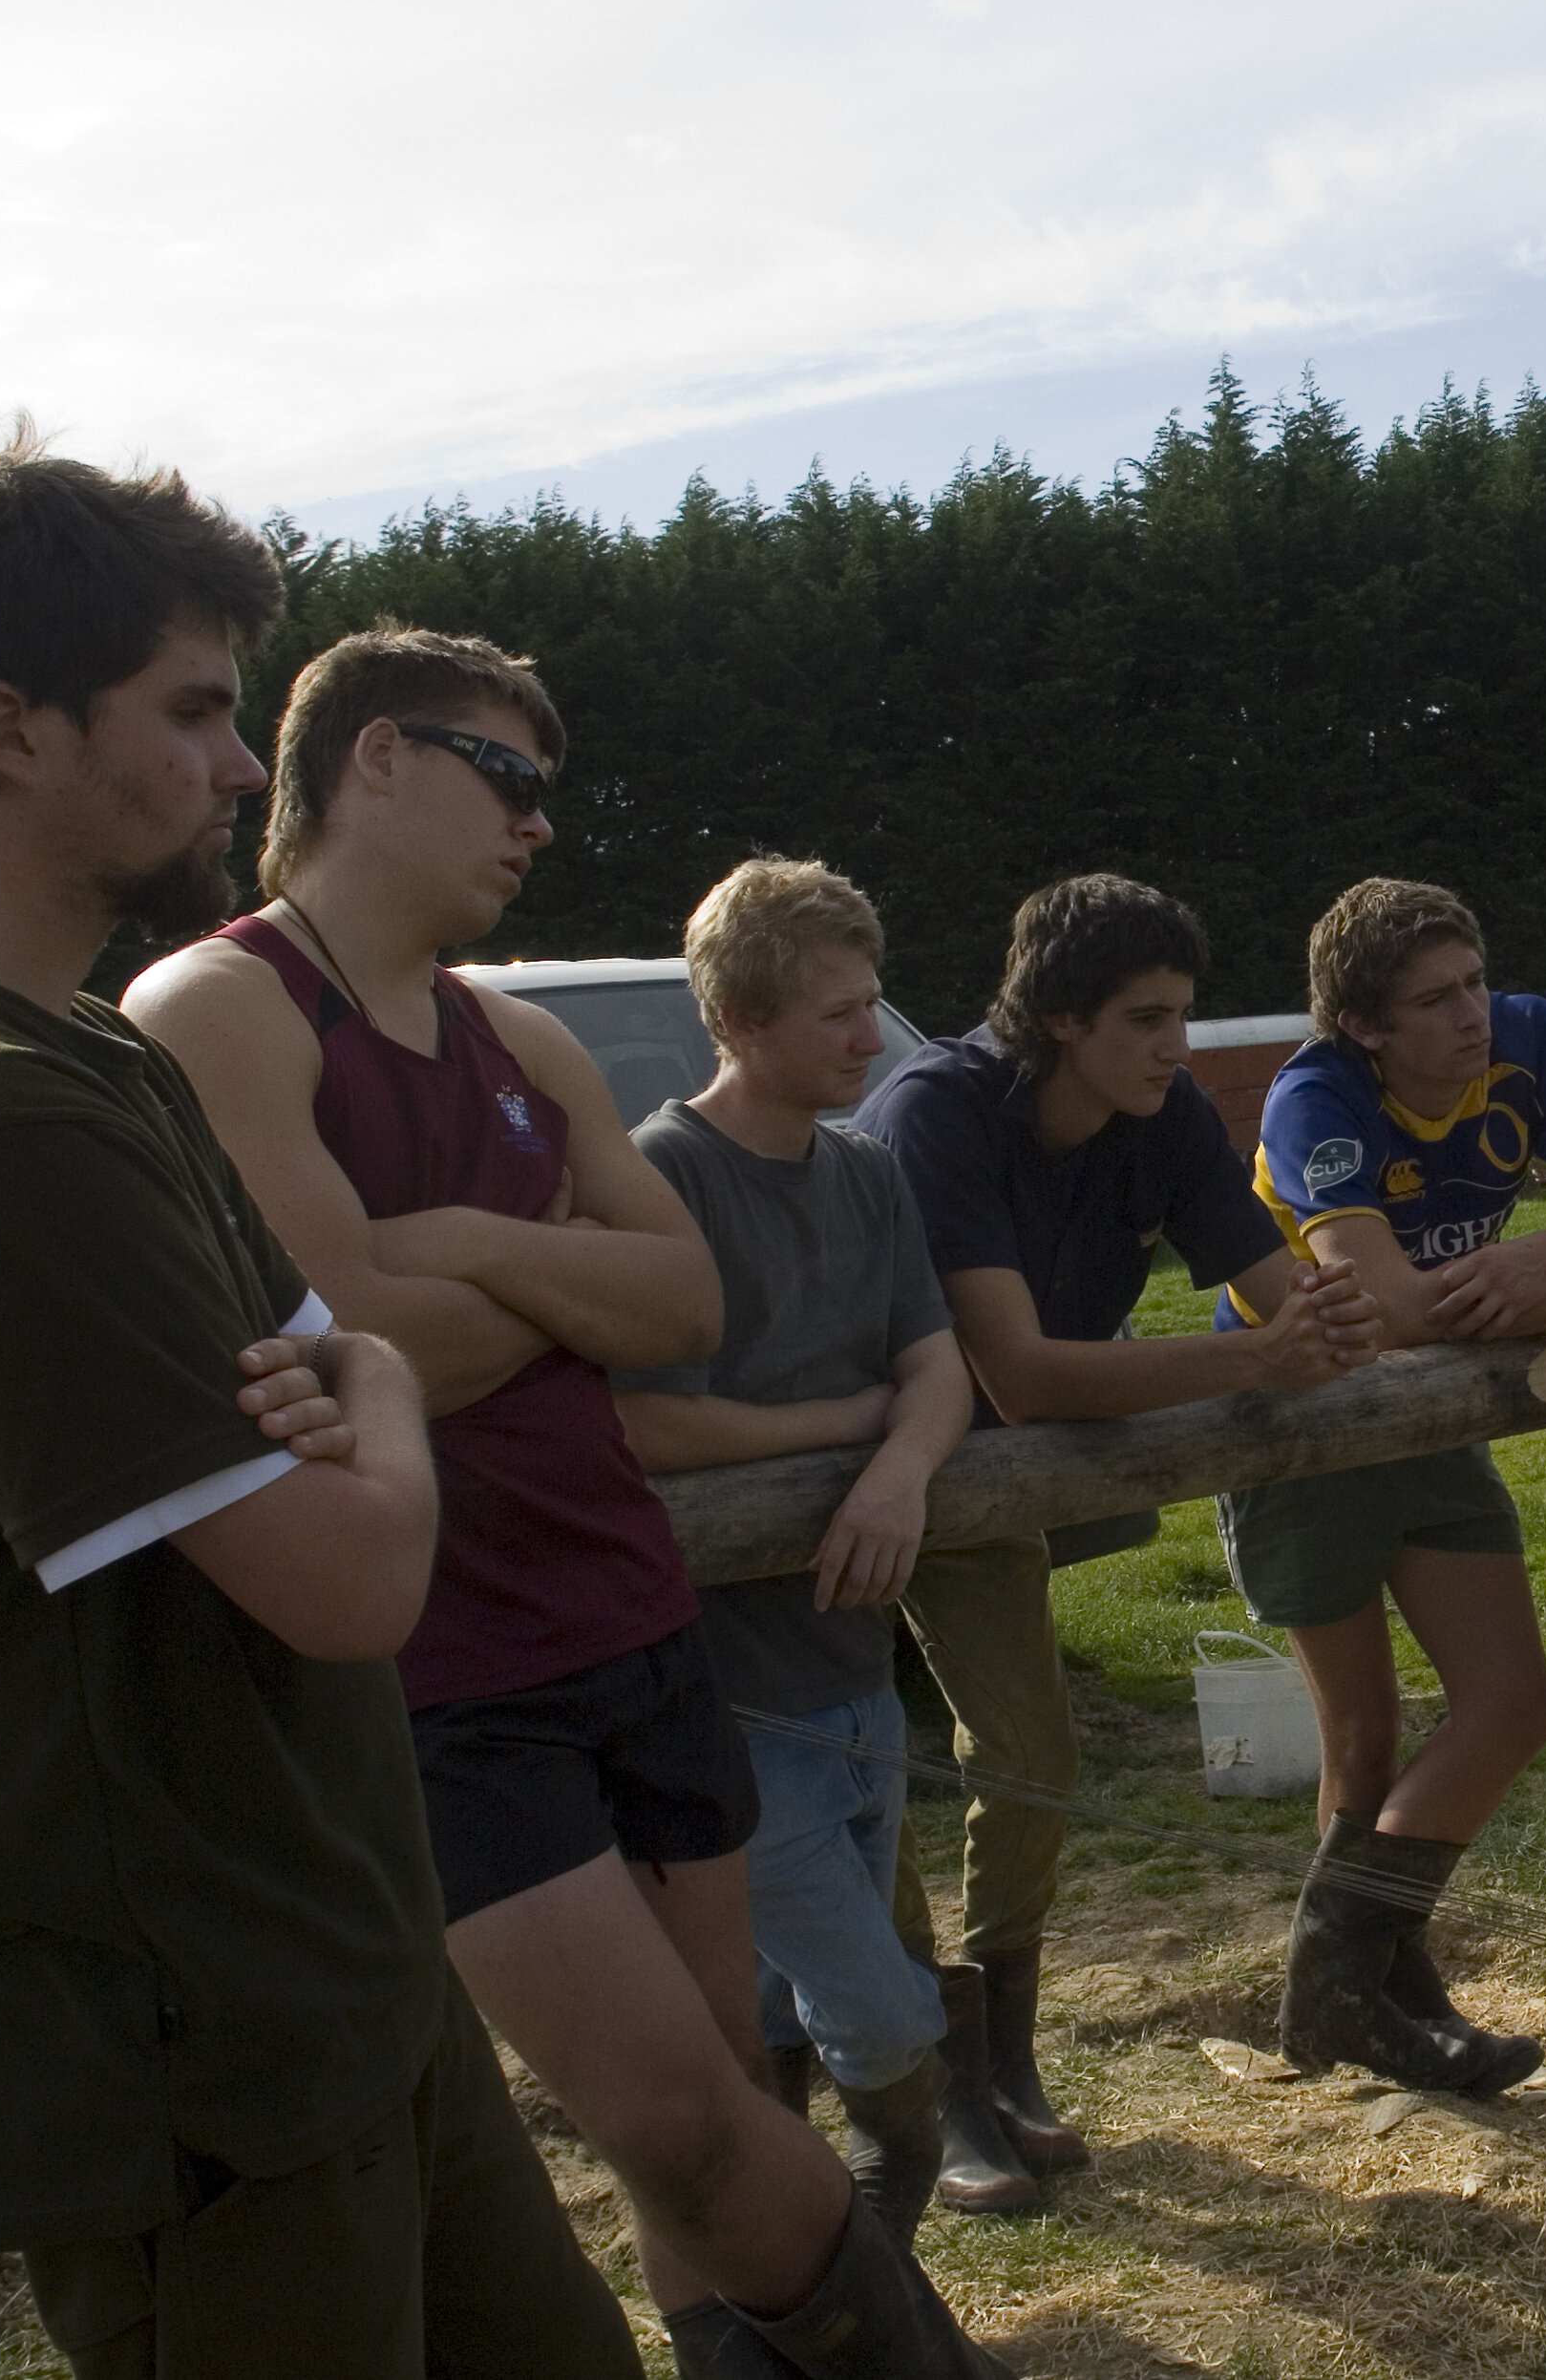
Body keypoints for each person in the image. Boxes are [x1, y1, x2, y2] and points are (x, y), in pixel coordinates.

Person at [0, 436, 642, 2377]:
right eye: (192, 710)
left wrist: (360, 1378)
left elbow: (316, 1357)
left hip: (333, 1971)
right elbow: (344, 1571)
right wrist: (394, 1386)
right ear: (7, 728)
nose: (246, 769)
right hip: (178, 2055)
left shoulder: (79, 1053)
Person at [130, 630, 1004, 2380]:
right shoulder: (213, 1005)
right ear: (374, 757)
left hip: (636, 1622)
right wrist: (540, 1286)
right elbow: (337, 1324)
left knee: (717, 2090)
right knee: (676, 2116)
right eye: (507, 777)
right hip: (443, 1675)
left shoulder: (513, 1028)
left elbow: (683, 1310)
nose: (538, 824)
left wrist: (454, 1250)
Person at [851, 874, 1382, 2208]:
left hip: (976, 1484)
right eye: (1145, 1019)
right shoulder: (934, 1117)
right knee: (852, 1775)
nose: (1173, 1046)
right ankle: (928, 2074)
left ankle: (1002, 2059)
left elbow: (1283, 1300)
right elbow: (1020, 1374)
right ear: (1054, 1019)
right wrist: (1258, 1360)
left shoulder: (1165, 1119)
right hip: (835, 1470)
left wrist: (1330, 1328)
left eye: (1182, 1018)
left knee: (1030, 1752)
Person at [1222, 877, 1546, 2093]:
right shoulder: (1315, 1095)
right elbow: (1384, 1309)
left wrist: (1544, 1253)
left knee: (1514, 1703)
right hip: (1306, 1424)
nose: (1473, 1014)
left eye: (1475, 981)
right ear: (1366, 1028)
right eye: (1435, 1000)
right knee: (1364, 1734)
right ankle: (1385, 1995)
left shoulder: (1533, 1037)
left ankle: (1336, 1988)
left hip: (1431, 1417)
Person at [606, 861, 972, 2247]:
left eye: (870, 1004)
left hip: (852, 1671)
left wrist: (895, 1467)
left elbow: (932, 1362)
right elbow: (640, 1420)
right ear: (744, 1020)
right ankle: (871, 2255)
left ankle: (784, 2269)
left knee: (776, 1997)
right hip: (725, 1692)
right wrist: (849, 1421)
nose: (868, 1039)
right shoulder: (663, 1179)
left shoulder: (868, 1172)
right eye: (836, 1013)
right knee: (879, 2009)